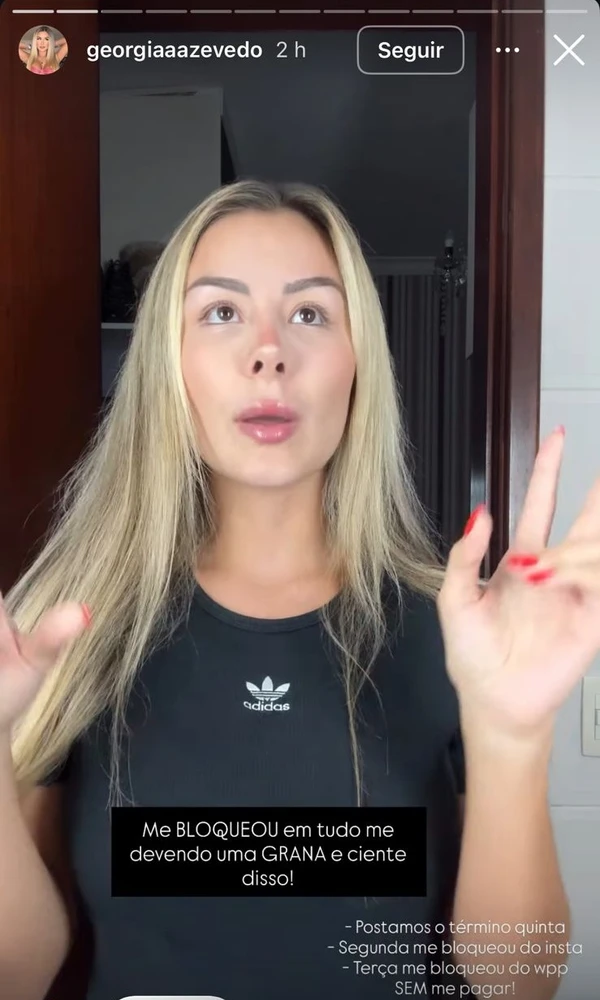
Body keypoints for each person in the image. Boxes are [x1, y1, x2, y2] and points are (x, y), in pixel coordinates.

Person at [1, 179, 596, 1000]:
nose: (269, 353)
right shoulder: (67, 631)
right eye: (221, 312)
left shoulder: (458, 634)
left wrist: (515, 735)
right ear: (168, 365)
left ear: (358, 365)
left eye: (310, 313)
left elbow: (517, 984)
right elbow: (17, 974)